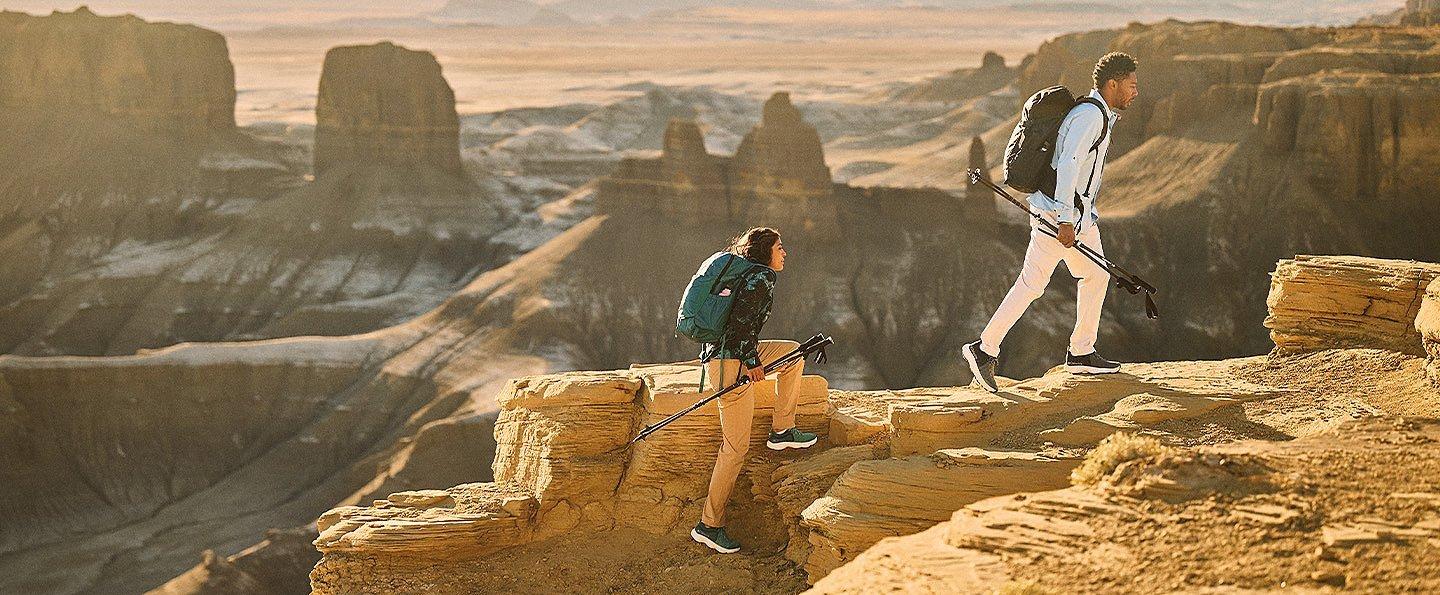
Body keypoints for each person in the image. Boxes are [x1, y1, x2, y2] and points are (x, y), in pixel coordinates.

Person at [963, 52, 1140, 392]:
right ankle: (984, 350)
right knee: (1035, 284)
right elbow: (1069, 164)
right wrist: (1064, 220)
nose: (1136, 92)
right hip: (1062, 216)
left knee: (1092, 274)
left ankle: (1080, 352)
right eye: (1131, 86)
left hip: (1075, 216)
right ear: (1112, 84)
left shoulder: (1097, 114)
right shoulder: (1090, 117)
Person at [690, 227, 818, 554]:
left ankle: (782, 429)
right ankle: (709, 525)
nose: (785, 253)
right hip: (730, 362)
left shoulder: (747, 273)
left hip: (725, 356)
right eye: (780, 247)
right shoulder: (761, 278)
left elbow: (734, 324)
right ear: (766, 252)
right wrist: (750, 361)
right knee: (735, 448)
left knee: (793, 354)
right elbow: (740, 325)